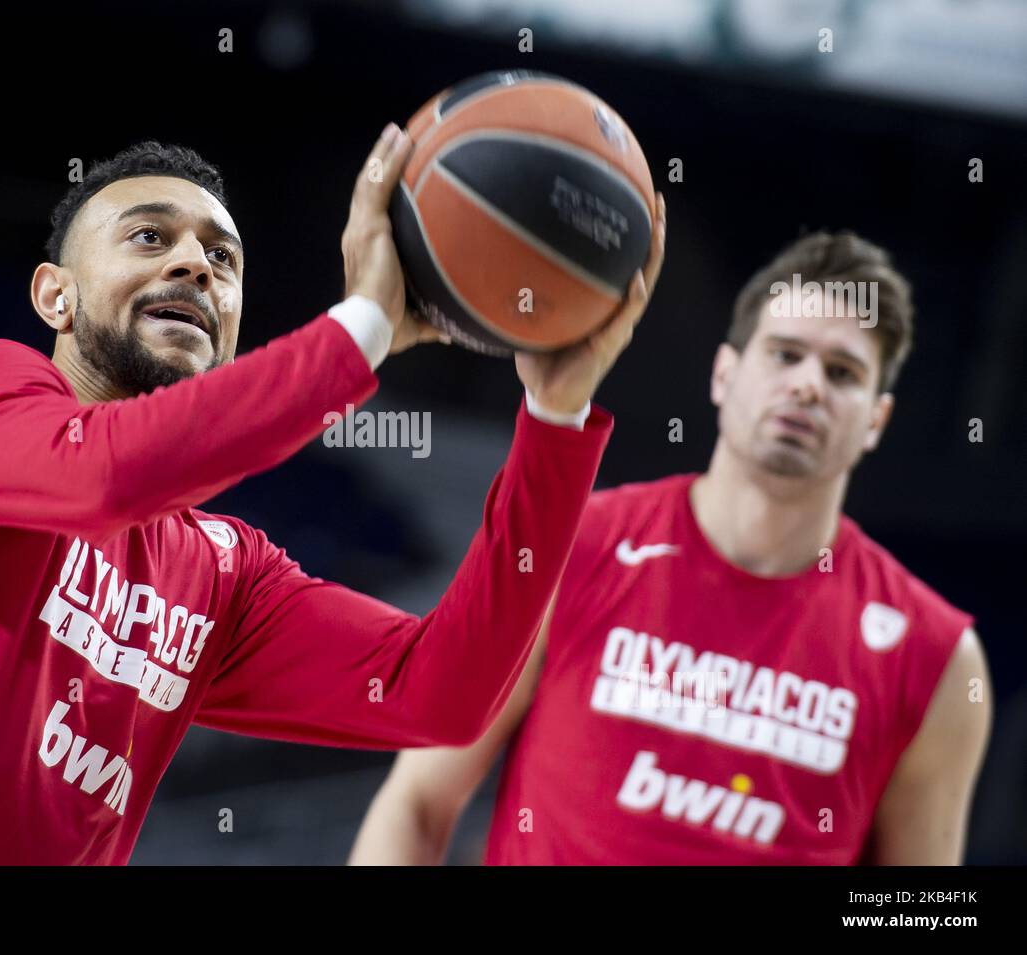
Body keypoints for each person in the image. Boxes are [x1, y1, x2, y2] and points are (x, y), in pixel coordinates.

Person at [0, 125, 665, 864]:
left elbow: (439, 695)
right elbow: (106, 475)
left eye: (223, 258)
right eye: (150, 237)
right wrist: (363, 328)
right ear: (54, 296)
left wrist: (555, 416)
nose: (194, 266)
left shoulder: (222, 574)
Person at [350, 231, 991, 865]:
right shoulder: (570, 545)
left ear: (875, 420)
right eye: (784, 354)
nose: (807, 386)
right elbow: (417, 805)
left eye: (842, 372)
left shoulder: (934, 654)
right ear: (724, 375)